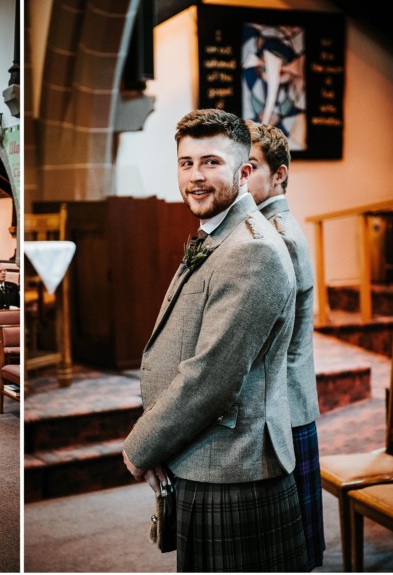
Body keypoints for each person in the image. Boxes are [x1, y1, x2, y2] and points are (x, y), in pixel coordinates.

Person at [122, 109, 306, 572]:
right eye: (186, 163)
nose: (195, 176)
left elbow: (211, 377)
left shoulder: (253, 251)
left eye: (211, 162)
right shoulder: (219, 234)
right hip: (205, 453)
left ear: (244, 171)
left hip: (234, 466)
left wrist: (140, 447)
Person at [246, 120, 324, 570]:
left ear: (280, 174)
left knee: (286, 556)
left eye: (251, 167)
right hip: (285, 404)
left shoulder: (276, 238)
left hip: (285, 410)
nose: (242, 177)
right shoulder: (266, 227)